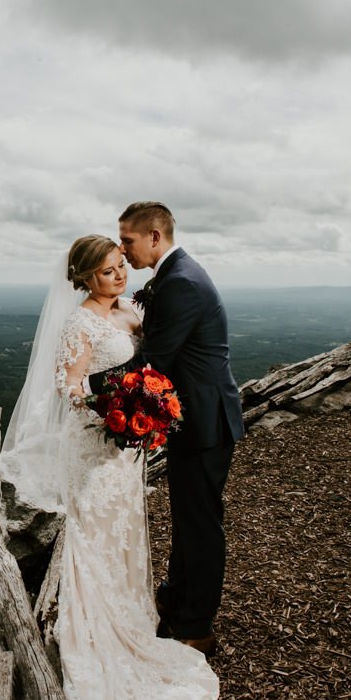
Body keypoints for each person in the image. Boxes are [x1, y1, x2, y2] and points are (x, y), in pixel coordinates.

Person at [1, 234, 219, 700]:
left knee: (124, 530)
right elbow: (69, 384)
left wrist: (145, 406)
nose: (118, 276)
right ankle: (95, 637)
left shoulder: (131, 311)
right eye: (106, 272)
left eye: (121, 266)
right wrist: (110, 410)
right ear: (83, 278)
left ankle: (133, 620)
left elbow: (152, 365)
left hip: (125, 452)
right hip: (95, 446)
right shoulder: (79, 321)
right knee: (94, 534)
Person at [110, 201, 245, 656]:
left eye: (127, 240)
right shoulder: (174, 275)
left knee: (201, 526)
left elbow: (154, 361)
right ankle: (177, 599)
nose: (123, 250)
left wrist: (86, 386)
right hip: (196, 419)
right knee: (189, 520)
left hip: (205, 423)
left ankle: (197, 627)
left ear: (154, 236)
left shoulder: (181, 283)